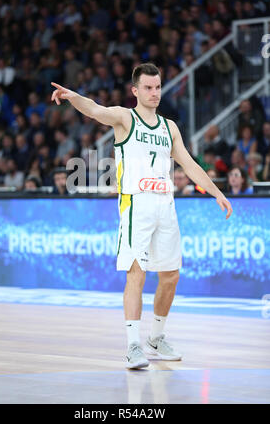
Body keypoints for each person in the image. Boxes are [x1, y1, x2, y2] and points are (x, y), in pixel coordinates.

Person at [51, 62, 232, 370]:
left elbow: (188, 164)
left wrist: (216, 192)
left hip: (166, 204)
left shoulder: (169, 127)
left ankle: (156, 338)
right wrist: (73, 96)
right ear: (135, 90)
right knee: (137, 273)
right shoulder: (125, 117)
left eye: (158, 87)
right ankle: (133, 346)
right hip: (137, 203)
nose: (154, 92)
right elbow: (95, 110)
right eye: (148, 87)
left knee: (171, 275)